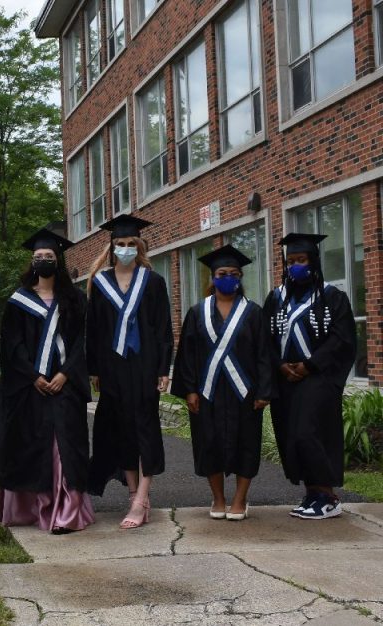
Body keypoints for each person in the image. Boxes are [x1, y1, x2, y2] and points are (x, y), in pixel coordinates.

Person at [0, 227, 94, 534]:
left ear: (58, 260)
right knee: (32, 446)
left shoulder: (75, 300)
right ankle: (33, 510)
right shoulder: (18, 302)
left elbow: (83, 341)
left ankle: (67, 513)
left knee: (64, 445)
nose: (43, 260)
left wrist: (65, 374)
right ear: (31, 261)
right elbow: (12, 344)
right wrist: (33, 375)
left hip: (65, 385)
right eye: (38, 257)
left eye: (49, 256)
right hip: (30, 388)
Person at [171, 245, 274, 521]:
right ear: (212, 277)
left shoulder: (253, 312)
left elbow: (265, 354)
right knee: (209, 443)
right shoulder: (197, 312)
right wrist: (189, 389)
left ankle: (240, 500)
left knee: (246, 444)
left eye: (233, 273)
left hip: (245, 393)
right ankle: (218, 498)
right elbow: (188, 355)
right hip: (208, 392)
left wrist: (265, 390)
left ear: (240, 277)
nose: (227, 277)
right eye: (221, 273)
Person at [86, 214, 173, 529]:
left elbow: (163, 327)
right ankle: (133, 493)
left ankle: (142, 498)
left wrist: (164, 367)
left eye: (130, 244)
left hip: (144, 363)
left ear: (139, 246)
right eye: (120, 244)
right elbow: (93, 329)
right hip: (112, 366)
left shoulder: (152, 281)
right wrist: (94, 368)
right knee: (121, 429)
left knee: (145, 429)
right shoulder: (100, 283)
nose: (125, 249)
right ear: (111, 247)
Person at [263, 233, 356, 519]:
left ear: (313, 262)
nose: (295, 266)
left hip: (318, 378)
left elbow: (342, 339)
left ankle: (328, 496)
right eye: (291, 261)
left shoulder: (331, 296)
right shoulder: (277, 297)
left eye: (301, 260)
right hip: (285, 378)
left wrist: (309, 365)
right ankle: (311, 493)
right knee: (292, 436)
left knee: (309, 432)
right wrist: (280, 364)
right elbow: (265, 339)